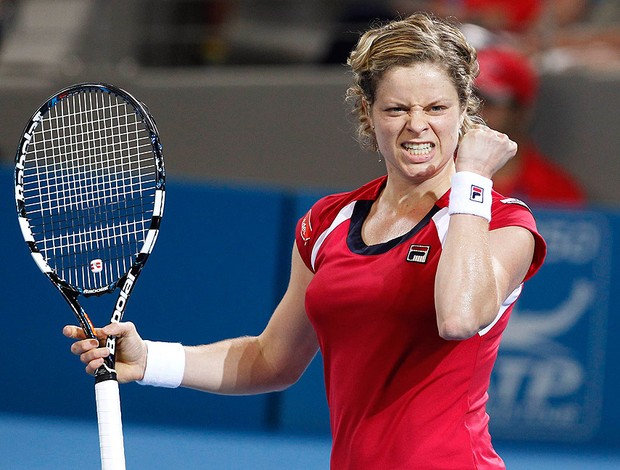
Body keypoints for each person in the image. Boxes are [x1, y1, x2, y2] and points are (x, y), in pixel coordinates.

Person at [65, 13, 546, 469]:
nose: (417, 125)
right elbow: (271, 359)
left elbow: (460, 317)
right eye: (397, 108)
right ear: (368, 110)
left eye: (437, 108)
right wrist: (151, 359)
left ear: (465, 112)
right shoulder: (327, 222)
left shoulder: (504, 223)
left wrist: (474, 179)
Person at [475, 45, 587, 205]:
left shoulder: (555, 190)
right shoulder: (433, 175)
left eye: (489, 101)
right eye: (467, 99)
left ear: (520, 112)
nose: (475, 110)